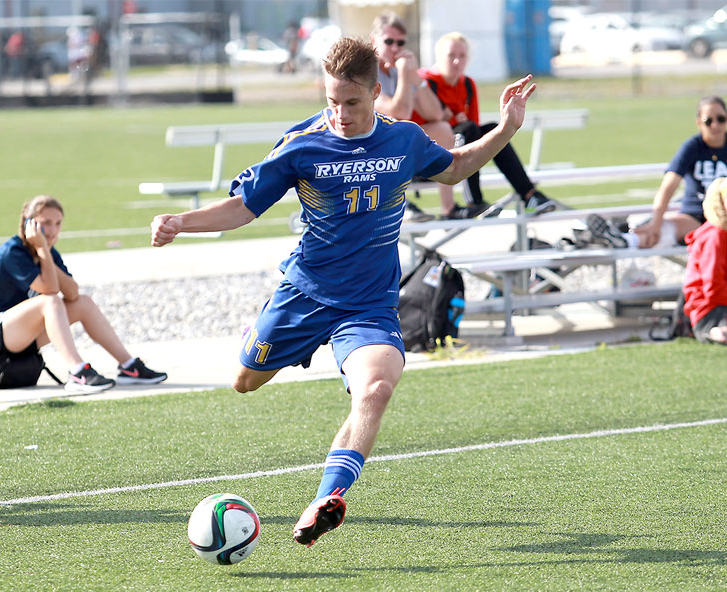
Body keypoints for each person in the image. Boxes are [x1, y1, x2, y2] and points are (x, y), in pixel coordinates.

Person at [150, 37, 536, 546]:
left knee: (376, 389)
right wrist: (182, 221)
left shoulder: (404, 140)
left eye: (352, 103)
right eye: (332, 101)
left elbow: (456, 166)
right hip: (305, 294)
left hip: (370, 305)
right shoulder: (302, 144)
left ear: (378, 92)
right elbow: (243, 207)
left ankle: (325, 498)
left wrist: (507, 127)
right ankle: (272, 333)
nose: (340, 113)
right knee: (245, 380)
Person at [0, 195, 167, 393]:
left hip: (18, 334)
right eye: (46, 223)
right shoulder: (13, 252)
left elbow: (72, 293)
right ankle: (77, 371)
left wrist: (45, 252)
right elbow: (50, 290)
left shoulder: (49, 253)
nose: (53, 230)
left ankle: (128, 367)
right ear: (29, 224)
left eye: (58, 223)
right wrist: (43, 248)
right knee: (50, 302)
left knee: (84, 303)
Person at [417, 32, 559, 218]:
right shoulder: (423, 83)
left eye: (462, 56)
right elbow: (418, 129)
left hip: (459, 150)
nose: (457, 62)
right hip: (429, 162)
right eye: (451, 56)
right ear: (438, 57)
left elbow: (474, 127)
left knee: (493, 129)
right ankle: (474, 201)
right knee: (467, 130)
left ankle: (529, 195)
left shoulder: (468, 84)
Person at [588, 96, 727, 249]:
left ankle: (619, 238)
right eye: (709, 120)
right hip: (695, 216)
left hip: (725, 214)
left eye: (721, 119)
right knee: (663, 231)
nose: (715, 125)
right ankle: (621, 241)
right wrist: (656, 222)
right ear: (699, 122)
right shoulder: (692, 147)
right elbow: (668, 186)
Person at [369, 12, 458, 222]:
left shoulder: (399, 69)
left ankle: (449, 208)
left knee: (443, 129)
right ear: (374, 41)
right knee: (400, 129)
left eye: (400, 42)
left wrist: (415, 78)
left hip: (395, 145)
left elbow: (434, 113)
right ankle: (400, 203)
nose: (395, 48)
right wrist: (403, 74)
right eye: (388, 41)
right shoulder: (367, 69)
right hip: (369, 148)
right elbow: (398, 113)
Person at [683, 177, 727, 344]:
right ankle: (716, 332)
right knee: (720, 330)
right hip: (709, 310)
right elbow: (713, 288)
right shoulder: (715, 235)